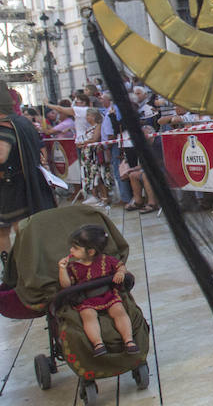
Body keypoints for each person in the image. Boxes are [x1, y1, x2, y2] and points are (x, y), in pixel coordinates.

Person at [58, 224, 139, 357]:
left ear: (91, 252)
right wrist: (62, 269)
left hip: (108, 295)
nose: (71, 250)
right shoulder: (73, 267)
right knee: (88, 316)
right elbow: (66, 285)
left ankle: (128, 340)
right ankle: (98, 343)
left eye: (75, 248)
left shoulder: (106, 260)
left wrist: (120, 272)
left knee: (119, 311)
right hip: (86, 299)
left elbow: (121, 267)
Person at [0, 81, 55, 261]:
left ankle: (19, 270)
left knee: (18, 229)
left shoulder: (4, 127)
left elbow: (1, 155)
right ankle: (13, 270)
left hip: (11, 188)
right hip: (23, 183)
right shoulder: (21, 121)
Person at [77, 108, 113, 209]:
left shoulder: (98, 126)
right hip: (88, 155)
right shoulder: (90, 127)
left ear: (93, 116)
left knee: (99, 176)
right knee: (93, 177)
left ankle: (105, 197)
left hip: (94, 155)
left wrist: (82, 143)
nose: (86, 118)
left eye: (88, 115)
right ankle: (98, 196)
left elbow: (95, 139)